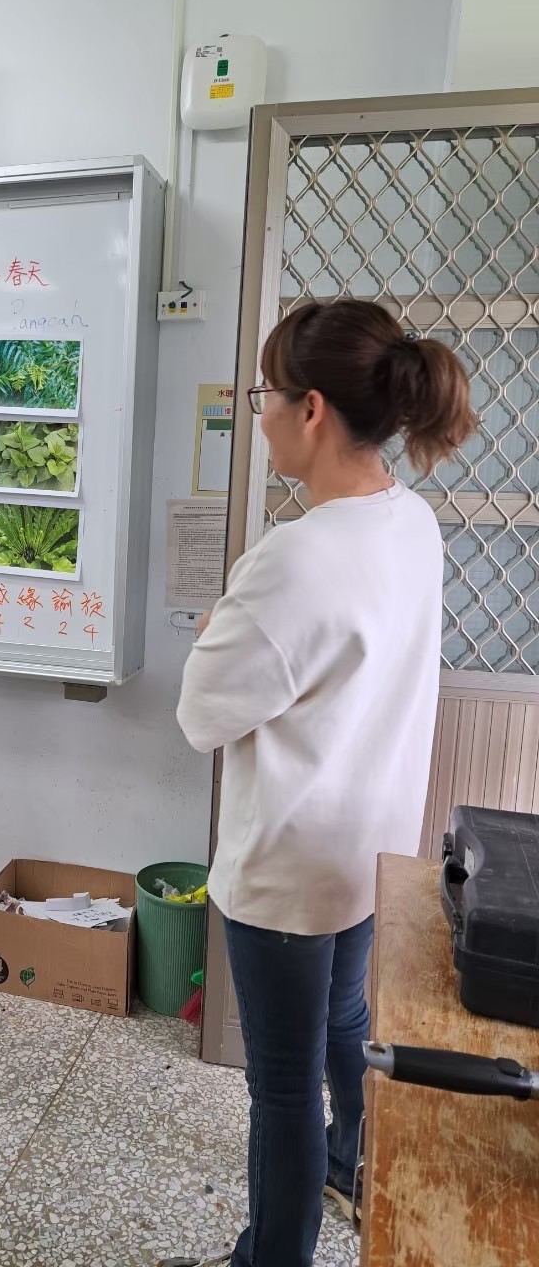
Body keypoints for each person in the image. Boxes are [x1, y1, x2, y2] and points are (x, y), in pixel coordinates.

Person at [176, 300, 475, 1267]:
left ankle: (273, 1257)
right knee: (345, 1016)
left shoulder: (295, 557)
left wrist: (219, 632)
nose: (257, 411)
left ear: (310, 409)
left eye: (264, 393)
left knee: (281, 1087)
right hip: (370, 849)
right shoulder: (411, 520)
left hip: (291, 869)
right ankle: (352, 1163)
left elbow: (202, 715)